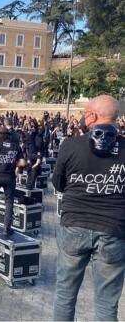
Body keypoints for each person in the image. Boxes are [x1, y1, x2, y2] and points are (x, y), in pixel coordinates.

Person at [52, 95, 125, 322]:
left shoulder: (71, 144)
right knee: (106, 305)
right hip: (113, 230)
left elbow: (58, 183)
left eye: (85, 114)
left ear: (92, 116)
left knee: (65, 295)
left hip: (74, 226)